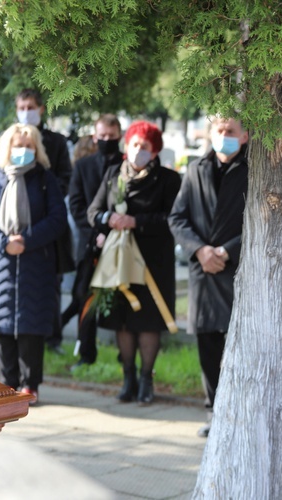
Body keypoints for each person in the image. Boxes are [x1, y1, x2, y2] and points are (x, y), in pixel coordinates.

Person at [0, 124, 68, 403]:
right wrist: (3, 242)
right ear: (6, 147)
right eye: (18, 145)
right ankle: (7, 382)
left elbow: (57, 218)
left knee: (31, 327)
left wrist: (26, 240)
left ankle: (30, 384)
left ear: (36, 149)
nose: (23, 150)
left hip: (36, 261)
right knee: (2, 327)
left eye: (28, 145)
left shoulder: (45, 179)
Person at [88, 121, 181, 405]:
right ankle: (127, 377)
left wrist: (136, 221)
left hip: (153, 262)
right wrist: (108, 220)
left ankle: (146, 379)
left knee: (148, 322)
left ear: (155, 152)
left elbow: (173, 218)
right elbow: (93, 211)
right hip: (119, 263)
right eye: (134, 144)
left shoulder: (168, 179)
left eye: (145, 146)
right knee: (124, 322)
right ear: (126, 146)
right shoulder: (114, 174)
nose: (138, 150)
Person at [168, 116, 249, 437]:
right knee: (208, 344)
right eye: (220, 131)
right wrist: (200, 250)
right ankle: (214, 411)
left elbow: (260, 220)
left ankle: (239, 414)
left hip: (237, 269)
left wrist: (227, 251)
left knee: (238, 346)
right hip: (203, 270)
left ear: (244, 137)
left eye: (231, 132)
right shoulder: (196, 169)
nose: (224, 136)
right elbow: (177, 217)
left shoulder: (252, 170)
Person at [65, 116, 125, 369]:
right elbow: (77, 206)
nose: (107, 141)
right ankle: (86, 353)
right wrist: (96, 232)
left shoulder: (126, 164)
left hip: (122, 244)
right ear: (94, 137)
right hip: (90, 245)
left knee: (123, 299)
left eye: (112, 137)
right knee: (85, 298)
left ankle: (126, 356)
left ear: (120, 136)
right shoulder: (83, 166)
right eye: (102, 137)